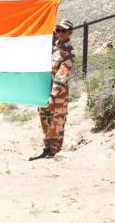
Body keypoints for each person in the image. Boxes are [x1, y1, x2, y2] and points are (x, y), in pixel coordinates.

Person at [30, 19, 76, 160]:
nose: (60, 33)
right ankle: (46, 148)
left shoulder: (69, 52)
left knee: (56, 122)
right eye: (58, 30)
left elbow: (62, 77)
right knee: (44, 119)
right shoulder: (53, 46)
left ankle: (55, 151)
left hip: (58, 95)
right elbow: (43, 31)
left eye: (64, 31)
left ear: (70, 32)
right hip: (44, 91)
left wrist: (53, 95)